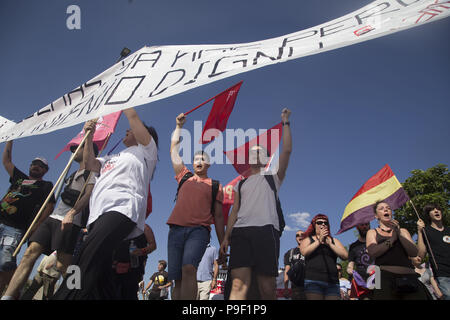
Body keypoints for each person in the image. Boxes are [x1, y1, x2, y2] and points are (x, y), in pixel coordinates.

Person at [53, 107, 158, 300]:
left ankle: (64, 296)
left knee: (84, 257)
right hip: (97, 216)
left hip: (122, 210)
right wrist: (89, 134)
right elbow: (89, 163)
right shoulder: (112, 157)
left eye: (132, 130)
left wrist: (124, 98)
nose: (127, 130)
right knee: (101, 271)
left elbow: (133, 116)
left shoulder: (146, 152)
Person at [3, 143, 97, 300]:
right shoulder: (71, 173)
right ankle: (9, 296)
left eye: (78, 148)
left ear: (88, 151)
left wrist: (72, 213)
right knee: (29, 253)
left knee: (64, 266)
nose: (74, 151)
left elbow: (87, 197)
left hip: (70, 222)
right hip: (53, 218)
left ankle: (78, 292)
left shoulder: (93, 173)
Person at [220, 108, 292, 300]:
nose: (255, 154)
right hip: (241, 233)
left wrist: (285, 121)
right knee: (237, 284)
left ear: (267, 159)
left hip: (266, 231)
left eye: (259, 152)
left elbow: (286, 150)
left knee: (266, 286)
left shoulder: (273, 177)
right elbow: (234, 211)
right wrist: (227, 236)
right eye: (252, 152)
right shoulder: (241, 183)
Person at [167, 113, 225, 300]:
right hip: (175, 230)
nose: (198, 161)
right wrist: (178, 126)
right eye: (195, 159)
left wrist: (223, 242)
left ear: (208, 163)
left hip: (198, 231)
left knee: (189, 268)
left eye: (202, 159)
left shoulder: (215, 185)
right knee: (177, 279)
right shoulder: (184, 176)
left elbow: (218, 217)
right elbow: (173, 150)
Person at [0, 141, 56, 296]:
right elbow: (6, 161)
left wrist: (36, 225)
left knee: (5, 263)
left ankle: (14, 291)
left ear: (45, 170)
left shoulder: (46, 185)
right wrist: (11, 140)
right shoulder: (19, 177)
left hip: (16, 228)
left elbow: (49, 207)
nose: (36, 166)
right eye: (34, 164)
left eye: (40, 165)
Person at [366, 201, 430, 300]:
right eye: (381, 208)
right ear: (376, 216)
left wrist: (399, 234)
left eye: (388, 208)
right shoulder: (372, 232)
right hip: (382, 277)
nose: (386, 209)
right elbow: (373, 252)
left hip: (409, 276)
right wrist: (392, 239)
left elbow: (413, 252)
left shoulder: (403, 231)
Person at [300, 214, 348, 300]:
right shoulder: (308, 239)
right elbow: (304, 252)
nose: (323, 224)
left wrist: (330, 244)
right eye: (319, 222)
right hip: (313, 280)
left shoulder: (334, 241)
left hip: (332, 282)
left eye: (325, 223)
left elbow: (345, 256)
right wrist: (319, 241)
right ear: (314, 225)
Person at [113, 224, 156, 300]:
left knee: (130, 293)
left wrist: (142, 251)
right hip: (114, 267)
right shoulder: (118, 224)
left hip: (134, 269)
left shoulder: (144, 227)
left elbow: (153, 245)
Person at [417, 204, 450, 300]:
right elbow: (421, 254)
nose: (436, 211)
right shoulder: (426, 231)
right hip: (442, 274)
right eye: (433, 210)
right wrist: (419, 231)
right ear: (428, 215)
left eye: (438, 209)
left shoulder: (449, 230)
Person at [347, 222, 374, 299]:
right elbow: (350, 264)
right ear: (357, 227)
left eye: (367, 224)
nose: (365, 226)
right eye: (362, 225)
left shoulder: (376, 242)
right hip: (362, 284)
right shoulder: (353, 246)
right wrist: (350, 270)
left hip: (378, 279)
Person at [283, 230, 306, 300]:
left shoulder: (311, 251)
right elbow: (287, 270)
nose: (300, 236)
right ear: (296, 238)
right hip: (296, 288)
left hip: (311, 287)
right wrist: (286, 288)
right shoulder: (290, 253)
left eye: (302, 234)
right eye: (297, 235)